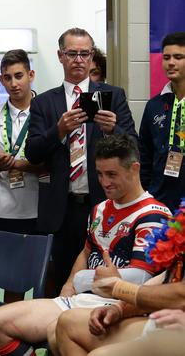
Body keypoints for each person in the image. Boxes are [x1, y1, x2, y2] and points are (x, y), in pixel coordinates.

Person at [0, 134, 171, 356]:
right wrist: (70, 285)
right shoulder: (100, 208)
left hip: (118, 308)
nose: (104, 182)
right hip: (80, 299)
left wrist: (86, 279)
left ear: (134, 169)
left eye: (112, 174)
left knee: (57, 332)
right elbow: (87, 251)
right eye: (99, 174)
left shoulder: (153, 215)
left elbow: (143, 279)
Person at [25, 28, 137, 294]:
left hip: (103, 205)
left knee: (102, 282)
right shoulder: (43, 102)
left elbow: (134, 146)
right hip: (61, 210)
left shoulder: (113, 96)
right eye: (72, 53)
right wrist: (59, 130)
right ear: (60, 56)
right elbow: (32, 153)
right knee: (61, 282)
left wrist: (114, 129)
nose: (78, 59)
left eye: (84, 53)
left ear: (91, 56)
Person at [54, 268, 185, 355]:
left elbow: (181, 296)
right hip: (166, 323)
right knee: (68, 323)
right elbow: (165, 281)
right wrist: (119, 309)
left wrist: (118, 287)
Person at [0, 49, 41, 234]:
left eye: (19, 76)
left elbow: (52, 166)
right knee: (8, 263)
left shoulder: (46, 111)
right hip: (4, 211)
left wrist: (15, 163)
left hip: (41, 208)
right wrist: (0, 164)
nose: (13, 83)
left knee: (38, 263)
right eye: (7, 78)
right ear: (0, 80)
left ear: (31, 75)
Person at [139, 32, 185, 212]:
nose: (171, 62)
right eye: (166, 57)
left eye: (178, 57)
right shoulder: (154, 105)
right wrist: (145, 194)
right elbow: (145, 153)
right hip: (160, 200)